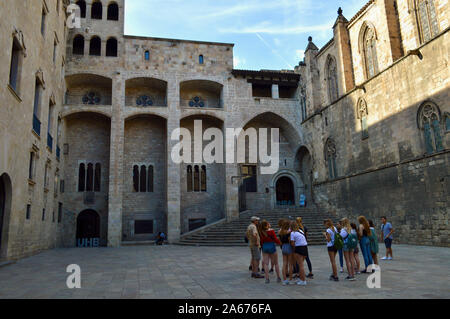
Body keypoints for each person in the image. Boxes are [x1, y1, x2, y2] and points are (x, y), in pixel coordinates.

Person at [290, 221, 308, 286]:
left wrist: (293, 251)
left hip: (299, 247)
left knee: (300, 265)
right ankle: (301, 278)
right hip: (305, 247)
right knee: (301, 264)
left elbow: (292, 243)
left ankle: (303, 280)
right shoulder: (300, 231)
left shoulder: (293, 233)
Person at [278, 220, 294, 285]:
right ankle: (290, 279)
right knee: (290, 264)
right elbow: (290, 240)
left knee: (284, 263)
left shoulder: (280, 232)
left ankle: (284, 279)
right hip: (288, 246)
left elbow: (280, 242)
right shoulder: (289, 232)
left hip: (283, 247)